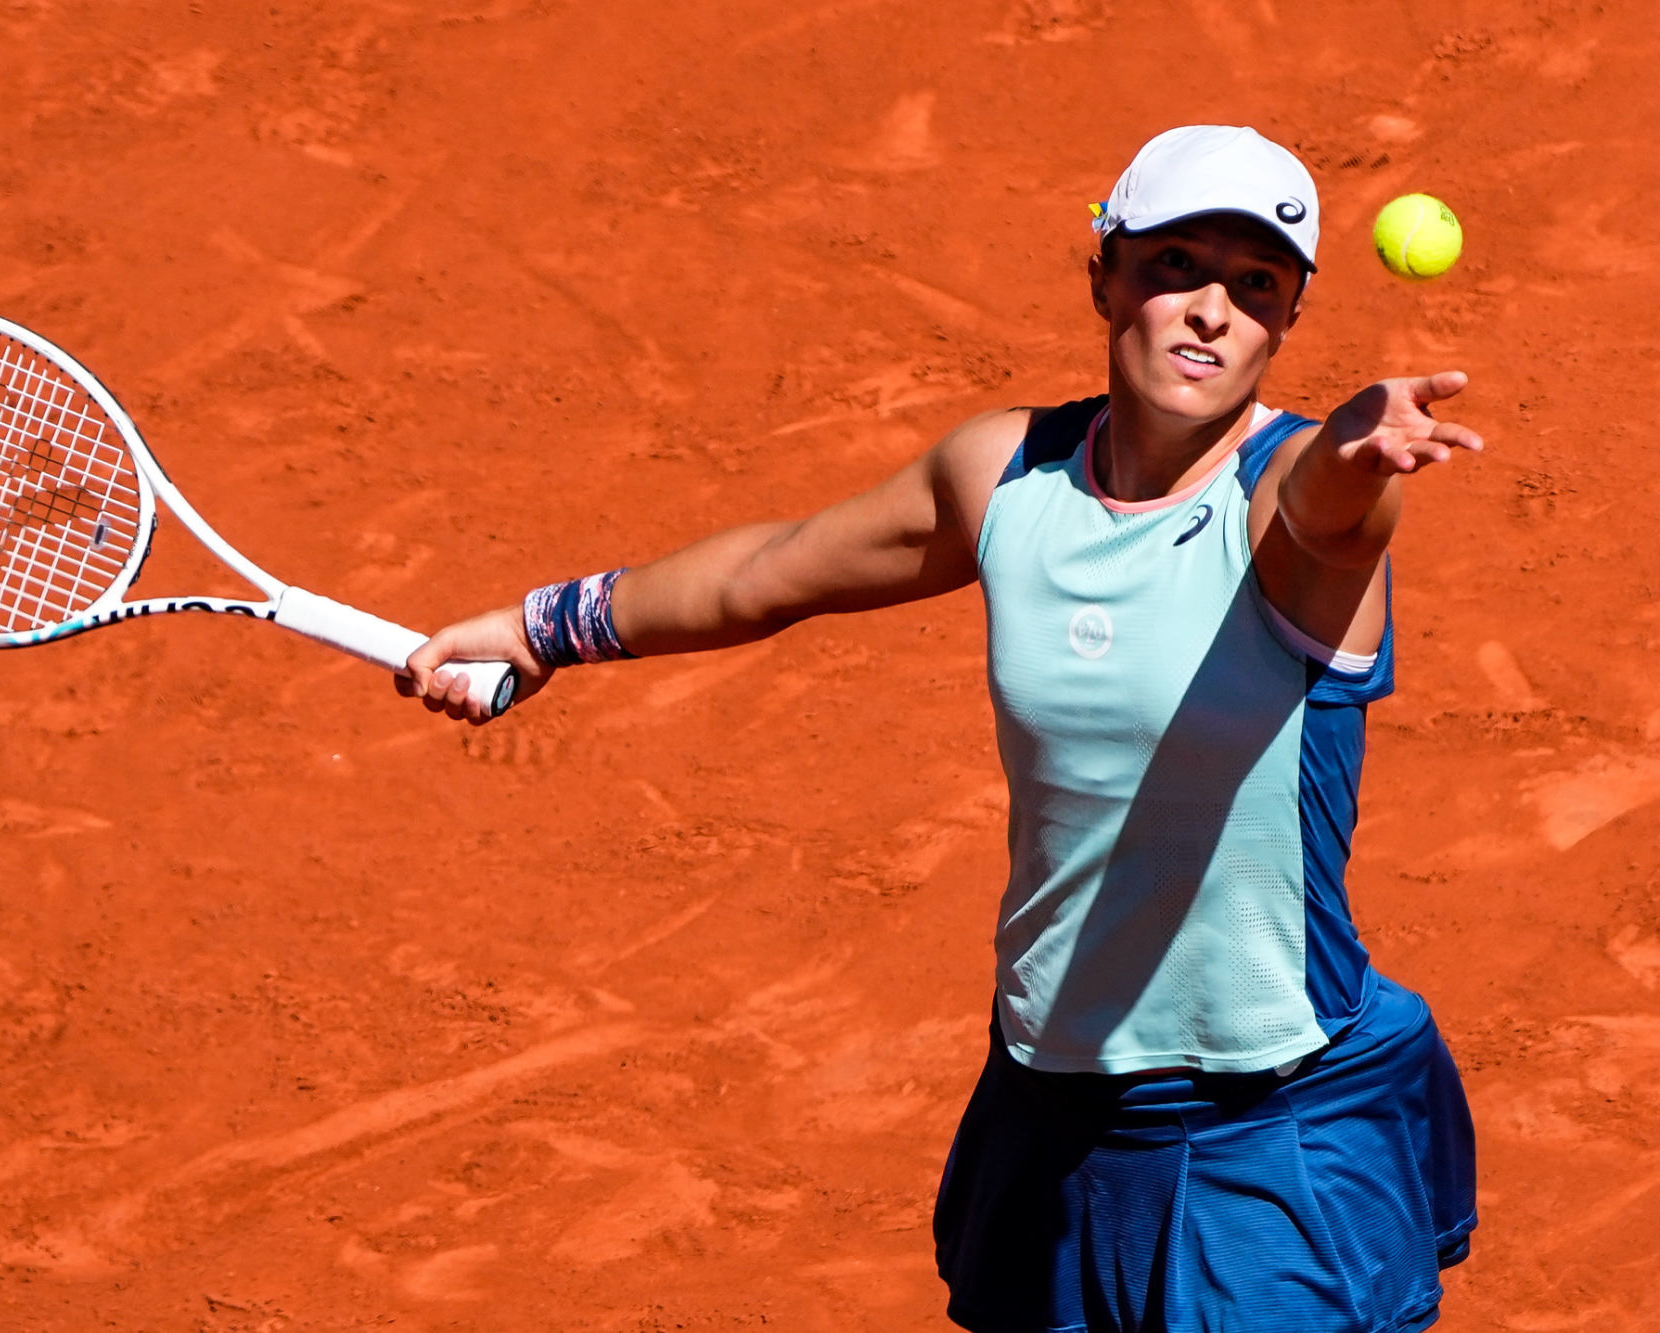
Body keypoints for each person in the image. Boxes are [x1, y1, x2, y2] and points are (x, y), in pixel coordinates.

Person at [399, 125, 1479, 1332]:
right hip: (1052, 1097)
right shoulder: (1005, 476)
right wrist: (547, 626)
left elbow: (1330, 515)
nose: (1210, 310)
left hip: (1262, 1119)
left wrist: (1353, 449)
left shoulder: (1283, 499)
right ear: (1104, 278)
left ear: (1283, 326)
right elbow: (770, 570)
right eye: (1173, 264)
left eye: (1254, 286)